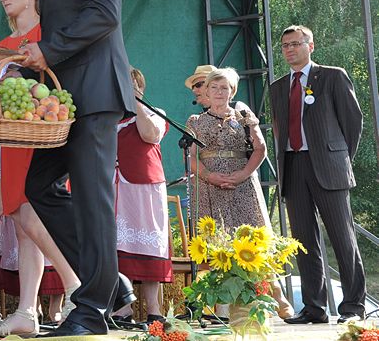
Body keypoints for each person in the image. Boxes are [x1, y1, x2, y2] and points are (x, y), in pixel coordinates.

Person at [20, 0, 136, 336]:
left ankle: (91, 310)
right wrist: (31, 70)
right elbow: (72, 28)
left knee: (92, 199)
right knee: (40, 184)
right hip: (70, 102)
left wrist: (49, 49)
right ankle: (111, 284)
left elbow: (104, 14)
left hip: (94, 97)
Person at [0, 0, 79, 337]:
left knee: (31, 217)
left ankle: (76, 285)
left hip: (44, 140)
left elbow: (63, 88)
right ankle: (27, 310)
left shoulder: (50, 35)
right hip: (13, 140)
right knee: (23, 228)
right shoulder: (3, 47)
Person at [270, 25, 365, 325]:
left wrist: (338, 159)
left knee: (343, 238)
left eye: (295, 44)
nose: (289, 49)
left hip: (329, 167)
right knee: (303, 240)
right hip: (293, 165)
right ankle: (314, 308)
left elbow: (353, 122)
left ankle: (352, 308)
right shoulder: (277, 87)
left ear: (311, 46)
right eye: (285, 45)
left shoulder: (333, 76)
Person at [185, 67, 293, 319]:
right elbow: (190, 158)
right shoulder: (195, 121)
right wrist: (209, 176)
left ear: (232, 91)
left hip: (243, 185)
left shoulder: (244, 115)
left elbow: (260, 148)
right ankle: (221, 307)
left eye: (225, 88)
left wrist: (242, 174)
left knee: (255, 240)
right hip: (209, 186)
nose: (220, 92)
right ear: (207, 92)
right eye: (214, 87)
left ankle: (277, 296)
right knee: (216, 245)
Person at [112, 68, 171, 326]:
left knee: (148, 244)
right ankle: (122, 309)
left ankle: (154, 310)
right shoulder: (108, 119)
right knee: (117, 247)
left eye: (132, 84)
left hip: (145, 190)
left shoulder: (154, 112)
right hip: (114, 188)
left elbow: (149, 135)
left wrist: (135, 101)